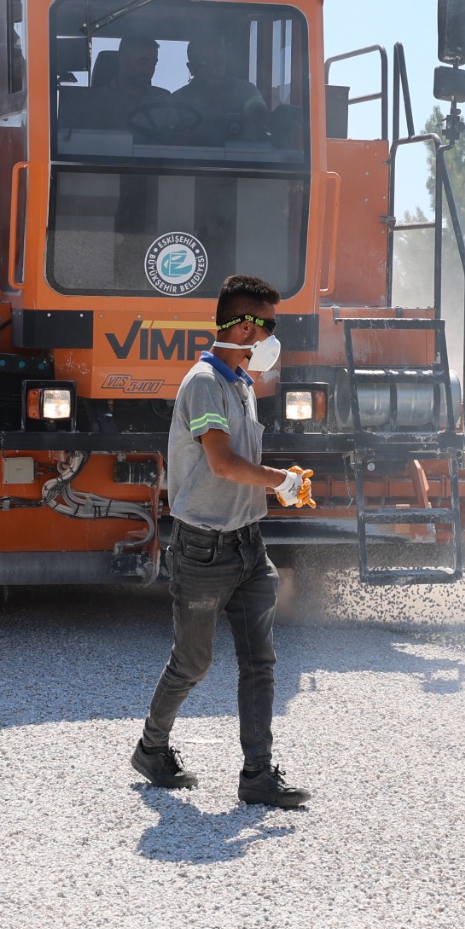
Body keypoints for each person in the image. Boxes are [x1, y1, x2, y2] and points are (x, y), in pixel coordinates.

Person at [131, 273, 311, 809]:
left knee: (261, 662)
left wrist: (279, 486)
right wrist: (280, 480)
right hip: (202, 549)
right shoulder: (204, 383)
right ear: (242, 326)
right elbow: (223, 462)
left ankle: (257, 774)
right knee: (193, 663)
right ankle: (150, 748)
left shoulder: (242, 384)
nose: (273, 339)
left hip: (248, 547)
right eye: (268, 326)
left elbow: (243, 466)